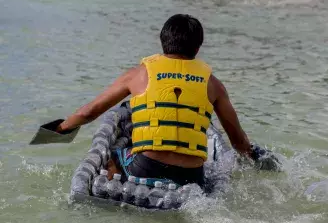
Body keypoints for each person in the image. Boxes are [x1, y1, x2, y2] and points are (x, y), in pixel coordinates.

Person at [57, 14, 252, 187]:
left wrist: (59, 130)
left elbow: (88, 112)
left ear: (163, 41)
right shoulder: (213, 84)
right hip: (191, 175)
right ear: (198, 47)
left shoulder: (138, 74)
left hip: (146, 167)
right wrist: (252, 156)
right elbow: (239, 141)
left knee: (110, 158)